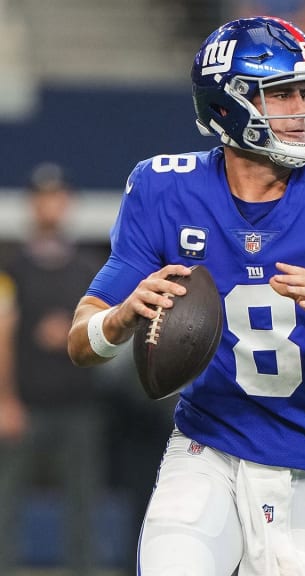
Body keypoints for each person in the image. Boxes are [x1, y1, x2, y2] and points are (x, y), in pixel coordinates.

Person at [66, 16, 305, 575]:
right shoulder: (164, 188)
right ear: (226, 105)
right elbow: (80, 341)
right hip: (207, 447)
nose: (302, 110)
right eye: (281, 93)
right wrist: (120, 319)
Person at [0, 163, 106, 575]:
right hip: (24, 406)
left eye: (58, 196)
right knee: (8, 502)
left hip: (79, 406)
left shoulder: (87, 268)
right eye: (43, 197)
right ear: (32, 204)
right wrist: (5, 401)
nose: (51, 205)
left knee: (83, 506)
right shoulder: (12, 269)